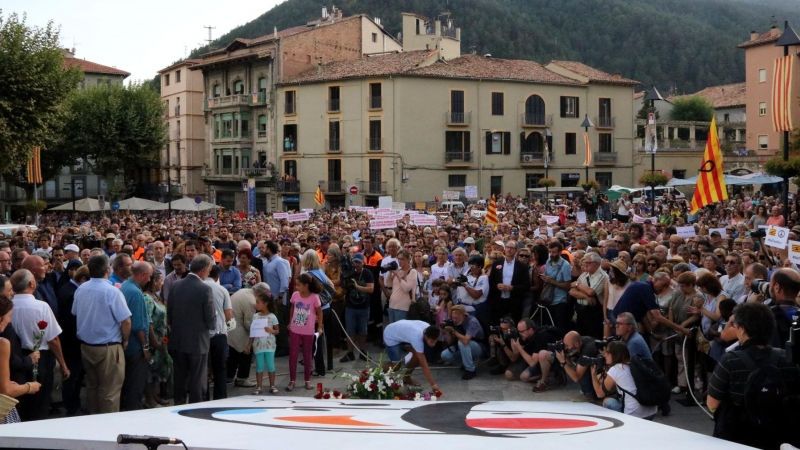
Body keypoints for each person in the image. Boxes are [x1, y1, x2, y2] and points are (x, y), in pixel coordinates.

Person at [707, 302, 799, 449]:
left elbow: (712, 403)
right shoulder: (786, 358)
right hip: (779, 436)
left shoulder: (730, 359)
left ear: (742, 330)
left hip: (738, 437)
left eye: (735, 325)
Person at [72, 255, 131, 414]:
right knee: (109, 392)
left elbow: (76, 312)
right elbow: (126, 321)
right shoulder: (112, 291)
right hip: (107, 347)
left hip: (87, 346)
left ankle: (94, 421)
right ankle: (108, 429)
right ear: (108, 270)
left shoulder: (81, 289)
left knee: (93, 388)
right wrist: (125, 340)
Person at [9, 269, 68, 421]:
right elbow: (53, 339)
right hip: (39, 357)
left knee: (18, 403)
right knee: (39, 403)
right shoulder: (41, 306)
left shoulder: (8, 305)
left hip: (14, 357)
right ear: (31, 283)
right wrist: (62, 363)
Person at [167, 254, 216, 405]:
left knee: (180, 377)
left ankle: (179, 405)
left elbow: (170, 313)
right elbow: (210, 318)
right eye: (208, 270)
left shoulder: (175, 285)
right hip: (198, 341)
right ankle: (196, 407)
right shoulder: (205, 289)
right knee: (197, 379)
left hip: (178, 339)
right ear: (203, 270)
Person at [0, 294, 42, 424]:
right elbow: (6, 390)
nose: (9, 321)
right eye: (9, 316)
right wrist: (30, 387)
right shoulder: (2, 344)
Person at [590, 341, 658, 419]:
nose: (605, 355)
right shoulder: (633, 364)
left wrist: (593, 374)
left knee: (607, 401)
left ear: (615, 355)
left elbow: (599, 393)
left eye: (608, 353)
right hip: (652, 410)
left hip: (635, 414)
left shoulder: (616, 369)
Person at [56, 265, 90, 416]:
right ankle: (71, 407)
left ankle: (73, 404)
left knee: (75, 376)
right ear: (83, 279)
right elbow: (72, 321)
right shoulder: (72, 293)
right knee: (73, 377)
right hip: (72, 342)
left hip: (70, 341)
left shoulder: (68, 288)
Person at [534, 331, 599, 400]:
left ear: (576, 344)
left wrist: (563, 362)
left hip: (600, 373)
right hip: (599, 371)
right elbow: (572, 358)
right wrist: (566, 354)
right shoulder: (581, 340)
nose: (565, 348)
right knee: (581, 364)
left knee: (582, 367)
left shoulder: (587, 351)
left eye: (567, 346)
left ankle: (588, 394)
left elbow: (576, 378)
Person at [286, 273, 323, 392]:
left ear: (306, 286)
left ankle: (307, 379)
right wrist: (290, 321)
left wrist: (319, 327)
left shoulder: (314, 297)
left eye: (298, 285)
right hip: (295, 329)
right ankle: (292, 380)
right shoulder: (295, 295)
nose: (296, 287)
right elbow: (292, 307)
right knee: (293, 354)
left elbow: (319, 312)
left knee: (308, 355)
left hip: (308, 330)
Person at [382, 319, 440, 392]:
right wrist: (433, 384)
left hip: (403, 332)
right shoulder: (417, 337)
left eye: (435, 342)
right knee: (396, 366)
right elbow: (423, 365)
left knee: (417, 357)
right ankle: (372, 372)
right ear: (425, 337)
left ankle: (406, 377)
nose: (433, 345)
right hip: (390, 334)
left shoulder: (429, 329)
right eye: (431, 342)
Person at [143, 271, 171, 409]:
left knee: (156, 371)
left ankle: (154, 395)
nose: (162, 283)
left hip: (161, 337)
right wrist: (154, 342)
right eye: (161, 280)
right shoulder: (147, 298)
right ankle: (149, 399)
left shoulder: (155, 296)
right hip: (153, 340)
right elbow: (148, 322)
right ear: (154, 281)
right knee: (150, 370)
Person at [339, 252, 374, 363]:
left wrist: (357, 287)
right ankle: (350, 353)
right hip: (350, 306)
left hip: (364, 306)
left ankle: (363, 352)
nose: (357, 264)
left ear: (363, 263)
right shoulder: (348, 273)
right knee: (350, 331)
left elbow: (371, 289)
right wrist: (345, 284)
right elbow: (344, 291)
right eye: (355, 262)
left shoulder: (367, 273)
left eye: (359, 262)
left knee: (363, 331)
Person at [206, 265, 233, 400]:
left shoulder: (199, 287)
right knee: (220, 369)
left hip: (202, 335)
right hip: (219, 334)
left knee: (204, 370)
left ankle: (203, 398)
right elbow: (229, 315)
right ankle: (220, 398)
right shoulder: (222, 290)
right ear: (217, 276)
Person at [487, 240, 531, 324]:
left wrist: (513, 288)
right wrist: (497, 286)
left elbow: (526, 286)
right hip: (498, 301)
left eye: (511, 248)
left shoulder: (522, 267)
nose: (509, 250)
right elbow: (490, 281)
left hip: (514, 302)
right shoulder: (497, 263)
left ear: (516, 250)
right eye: (507, 247)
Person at [245, 290, 279, 395]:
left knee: (270, 365)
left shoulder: (272, 316)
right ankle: (258, 386)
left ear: (265, 304)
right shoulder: (255, 316)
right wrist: (249, 345)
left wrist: (272, 331)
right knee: (259, 365)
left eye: (258, 302)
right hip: (258, 345)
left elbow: (277, 330)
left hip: (269, 345)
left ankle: (272, 385)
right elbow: (253, 332)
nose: (256, 304)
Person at [440, 305, 485, 380]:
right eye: (453, 317)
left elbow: (466, 340)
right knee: (444, 355)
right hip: (464, 346)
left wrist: (454, 331)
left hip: (479, 346)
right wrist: (448, 332)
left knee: (462, 343)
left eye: (456, 318)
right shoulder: (454, 322)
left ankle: (470, 370)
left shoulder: (472, 321)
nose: (454, 320)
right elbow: (450, 342)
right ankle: (467, 363)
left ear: (463, 315)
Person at [570, 252, 607, 339]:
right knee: (580, 336)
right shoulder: (584, 275)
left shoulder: (602, 276)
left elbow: (591, 292)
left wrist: (577, 285)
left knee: (592, 337)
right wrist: (585, 296)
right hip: (581, 309)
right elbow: (572, 291)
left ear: (597, 264)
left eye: (588, 263)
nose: (585, 265)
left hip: (593, 311)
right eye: (585, 262)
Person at [541, 241, 572, 332]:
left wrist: (552, 282)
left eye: (554, 252)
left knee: (560, 328)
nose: (551, 254)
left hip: (560, 301)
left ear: (560, 253)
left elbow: (568, 285)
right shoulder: (548, 262)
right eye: (550, 252)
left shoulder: (565, 265)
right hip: (549, 300)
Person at [385, 250, 418, 323]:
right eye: (398, 259)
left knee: (399, 330)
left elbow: (406, 288)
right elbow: (388, 284)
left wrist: (398, 276)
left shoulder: (412, 272)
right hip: (392, 305)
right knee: (393, 329)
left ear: (408, 260)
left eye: (402, 259)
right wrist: (390, 272)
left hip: (403, 307)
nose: (400, 261)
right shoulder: (398, 270)